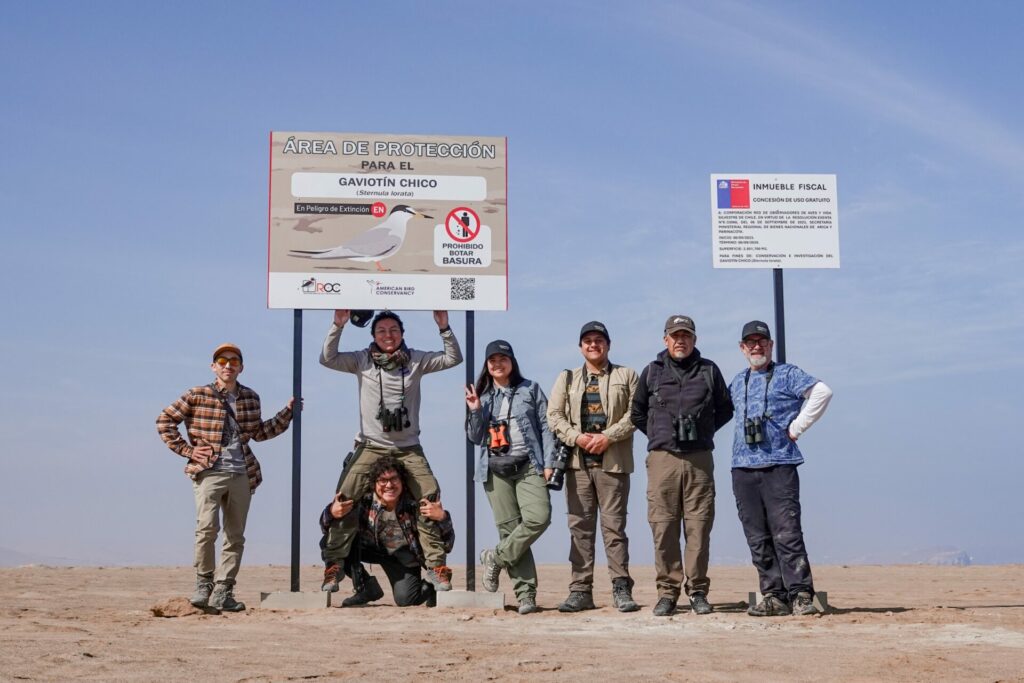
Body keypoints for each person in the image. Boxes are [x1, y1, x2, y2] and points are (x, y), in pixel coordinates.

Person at [319, 309, 462, 593]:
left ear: (402, 334)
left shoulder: (417, 360)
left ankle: (436, 567)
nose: (388, 335)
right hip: (371, 445)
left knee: (429, 498)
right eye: (382, 330)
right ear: (373, 336)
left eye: (394, 330)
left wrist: (444, 327)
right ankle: (334, 566)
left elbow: (452, 358)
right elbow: (328, 358)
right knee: (344, 498)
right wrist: (338, 325)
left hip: (409, 447)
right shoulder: (361, 360)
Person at [156, 343, 296, 612]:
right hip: (209, 471)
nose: (228, 365)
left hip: (243, 472)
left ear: (241, 367)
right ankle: (203, 583)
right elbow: (164, 420)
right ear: (213, 367)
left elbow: (260, 432)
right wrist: (187, 450)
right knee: (207, 529)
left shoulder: (251, 398)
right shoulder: (197, 394)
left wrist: (287, 412)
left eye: (234, 361)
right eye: (222, 360)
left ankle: (224, 590)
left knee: (235, 535)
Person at [631, 315, 733, 617]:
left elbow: (725, 409)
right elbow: (637, 413)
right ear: (665, 340)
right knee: (663, 527)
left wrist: (703, 431)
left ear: (694, 340)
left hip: (699, 458)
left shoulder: (709, 370)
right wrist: (660, 434)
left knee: (699, 527)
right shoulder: (651, 372)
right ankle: (667, 592)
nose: (680, 340)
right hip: (663, 459)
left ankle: (698, 591)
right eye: (675, 335)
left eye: (686, 335)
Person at [729, 320, 832, 617]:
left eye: (762, 341)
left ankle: (801, 593)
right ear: (742, 348)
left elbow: (822, 392)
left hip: (779, 464)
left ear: (771, 345)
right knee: (757, 536)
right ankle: (773, 594)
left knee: (787, 532)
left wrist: (798, 427)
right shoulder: (737, 381)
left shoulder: (787, 374)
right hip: (743, 468)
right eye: (750, 342)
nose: (756, 346)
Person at [546, 321, 640, 613]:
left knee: (614, 528)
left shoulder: (627, 375)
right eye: (588, 341)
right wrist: (578, 438)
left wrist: (607, 438)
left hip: (613, 464)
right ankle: (580, 590)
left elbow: (635, 414)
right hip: (577, 465)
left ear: (608, 345)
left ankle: (621, 589)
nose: (593, 345)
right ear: (580, 347)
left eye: (599, 340)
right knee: (580, 529)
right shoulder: (568, 378)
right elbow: (554, 415)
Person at [465, 340, 553, 615]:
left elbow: (546, 427)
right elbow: (475, 437)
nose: (498, 364)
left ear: (512, 362)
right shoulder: (481, 394)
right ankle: (526, 594)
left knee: (540, 517)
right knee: (510, 529)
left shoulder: (531, 389)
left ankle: (496, 557)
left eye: (503, 359)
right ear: (487, 366)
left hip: (528, 465)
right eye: (492, 360)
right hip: (494, 470)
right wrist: (476, 410)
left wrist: (548, 462)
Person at [319, 455, 455, 607]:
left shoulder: (416, 504)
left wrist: (442, 517)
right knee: (327, 542)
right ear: (374, 483)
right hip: (369, 548)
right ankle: (366, 588)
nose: (389, 485)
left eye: (394, 479)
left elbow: (447, 544)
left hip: (401, 557)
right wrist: (331, 512)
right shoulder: (363, 500)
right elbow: (325, 529)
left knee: (406, 600)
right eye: (382, 480)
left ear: (402, 481)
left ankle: (430, 586)